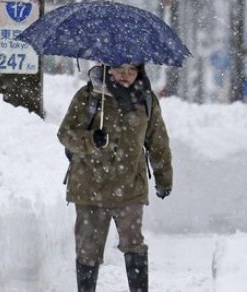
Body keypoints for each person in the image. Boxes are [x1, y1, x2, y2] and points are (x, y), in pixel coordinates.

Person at [57, 63, 173, 292]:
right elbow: (65, 134)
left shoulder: (146, 100)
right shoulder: (89, 96)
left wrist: (164, 179)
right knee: (88, 251)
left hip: (130, 187)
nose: (125, 75)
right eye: (119, 69)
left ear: (140, 72)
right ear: (107, 68)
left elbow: (158, 143)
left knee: (134, 245)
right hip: (90, 188)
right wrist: (91, 139)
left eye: (132, 70)